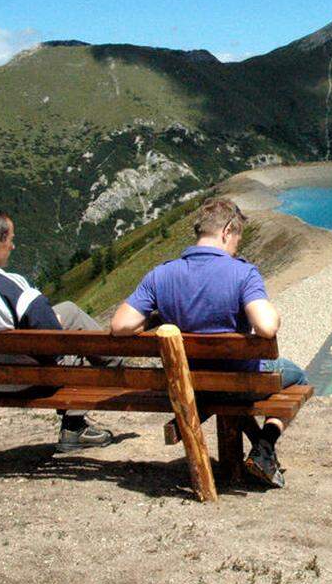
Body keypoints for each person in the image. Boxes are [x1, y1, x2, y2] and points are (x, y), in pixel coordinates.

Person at [109, 197, 307, 488]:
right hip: (240, 385)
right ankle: (265, 445)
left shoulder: (161, 274)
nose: (235, 247)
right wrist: (273, 313)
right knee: (298, 375)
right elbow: (265, 327)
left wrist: (153, 318)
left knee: (229, 383)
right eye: (236, 238)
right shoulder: (243, 273)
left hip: (188, 384)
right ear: (227, 231)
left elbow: (120, 325)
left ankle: (261, 450)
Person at [0, 208, 120, 452]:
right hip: (23, 381)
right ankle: (77, 424)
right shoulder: (13, 287)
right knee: (74, 332)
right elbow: (55, 348)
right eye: (11, 239)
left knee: (67, 312)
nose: (13, 246)